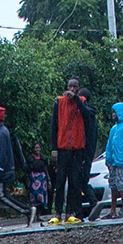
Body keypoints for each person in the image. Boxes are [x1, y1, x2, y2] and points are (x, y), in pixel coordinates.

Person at [43, 78, 97, 223]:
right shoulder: (59, 102)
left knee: (74, 182)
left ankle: (70, 213)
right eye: (70, 87)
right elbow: (54, 126)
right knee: (60, 181)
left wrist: (77, 100)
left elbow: (88, 115)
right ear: (66, 88)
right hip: (62, 148)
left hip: (78, 149)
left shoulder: (83, 102)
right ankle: (57, 213)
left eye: (75, 87)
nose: (72, 89)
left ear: (79, 89)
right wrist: (54, 148)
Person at [101, 101, 123, 220]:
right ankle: (113, 210)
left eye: (114, 112)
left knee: (121, 185)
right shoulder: (113, 129)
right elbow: (109, 145)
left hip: (121, 161)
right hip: (113, 162)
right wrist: (108, 160)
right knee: (113, 185)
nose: (113, 114)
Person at [26, 143, 51, 218]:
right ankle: (35, 215)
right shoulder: (30, 159)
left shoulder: (43, 158)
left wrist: (48, 179)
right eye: (36, 148)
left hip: (42, 179)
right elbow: (28, 170)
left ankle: (40, 214)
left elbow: (45, 169)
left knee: (42, 197)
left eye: (39, 147)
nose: (38, 149)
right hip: (34, 179)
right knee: (34, 196)